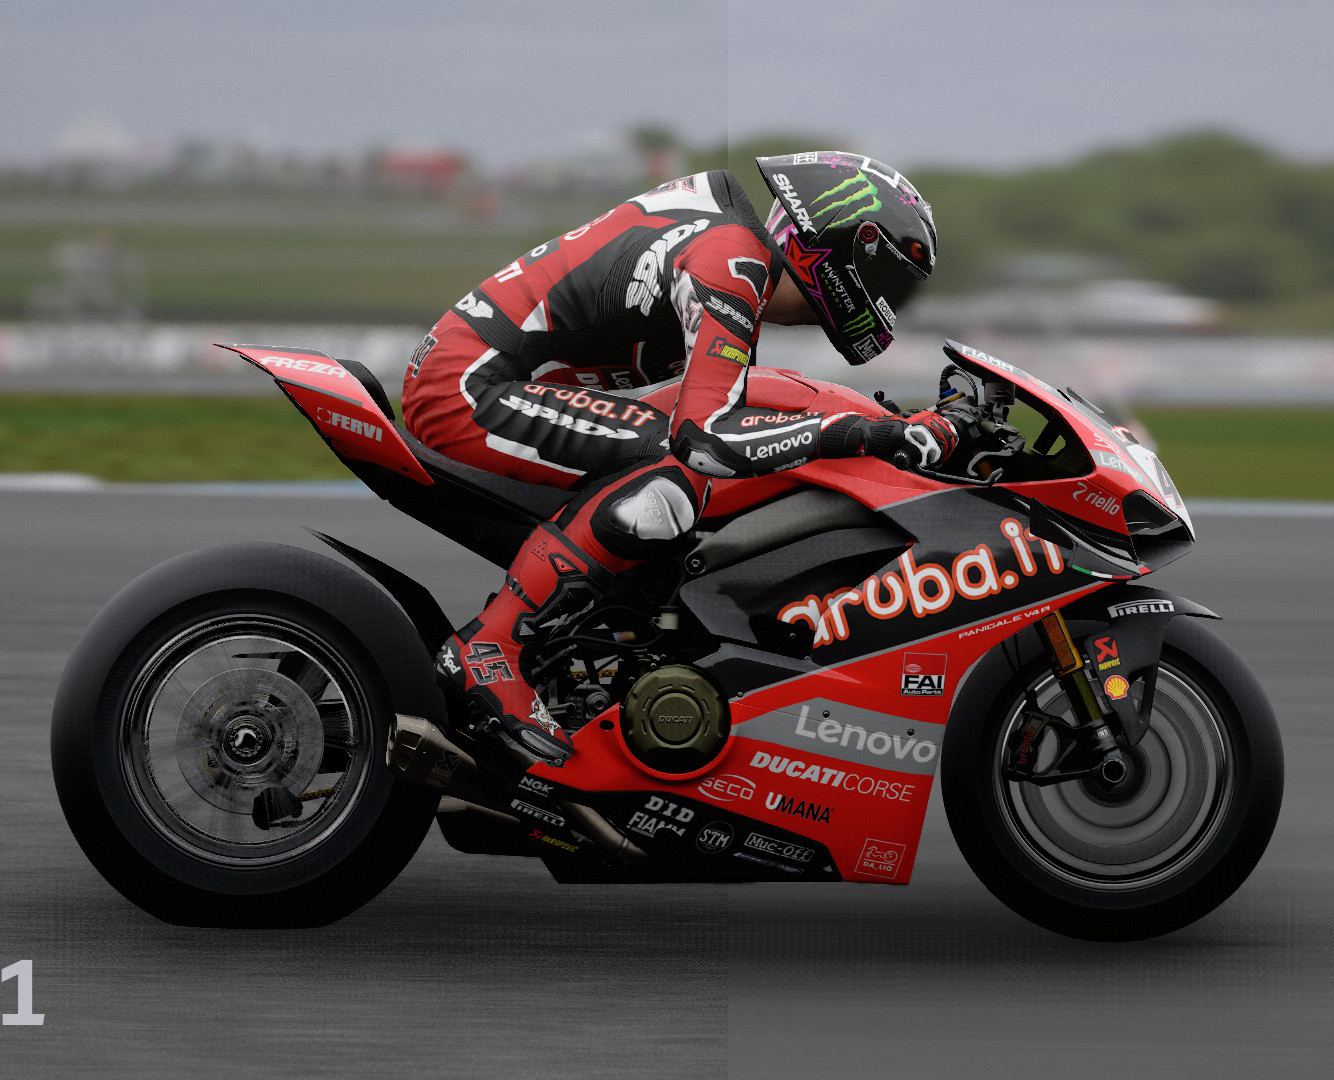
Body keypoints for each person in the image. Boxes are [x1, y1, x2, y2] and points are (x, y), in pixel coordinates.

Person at [400, 152, 955, 766]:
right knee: (674, 471)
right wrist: (867, 436)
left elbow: (761, 400)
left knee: (706, 457)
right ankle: (489, 650)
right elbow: (706, 437)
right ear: (851, 244)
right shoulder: (732, 259)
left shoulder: (735, 248)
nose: (888, 301)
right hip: (467, 388)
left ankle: (613, 645)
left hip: (494, 377)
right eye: (890, 278)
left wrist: (888, 422)